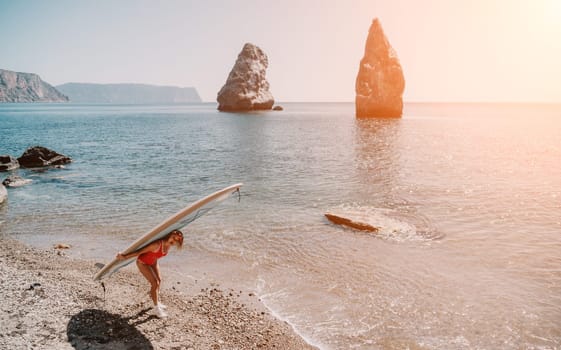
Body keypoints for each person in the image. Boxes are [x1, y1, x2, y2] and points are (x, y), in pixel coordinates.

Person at [116, 229, 184, 318]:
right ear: (169, 235)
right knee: (155, 283)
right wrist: (124, 256)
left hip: (153, 262)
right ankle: (157, 309)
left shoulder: (168, 246)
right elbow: (139, 252)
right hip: (142, 263)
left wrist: (153, 262)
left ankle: (157, 301)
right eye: (173, 238)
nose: (174, 241)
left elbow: (156, 255)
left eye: (177, 240)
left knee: (159, 280)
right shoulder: (157, 244)